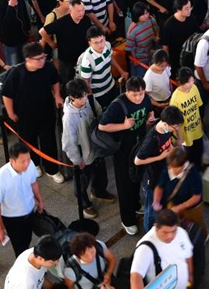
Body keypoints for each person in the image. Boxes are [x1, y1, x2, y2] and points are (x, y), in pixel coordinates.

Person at [98, 77, 156, 235]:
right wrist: (123, 126)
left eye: (141, 94)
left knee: (136, 178)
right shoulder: (118, 105)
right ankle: (127, 219)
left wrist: (150, 117)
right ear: (126, 92)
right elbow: (102, 126)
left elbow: (149, 108)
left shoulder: (145, 98)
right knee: (124, 185)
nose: (138, 98)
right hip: (123, 151)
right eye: (134, 95)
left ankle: (136, 205)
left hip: (139, 146)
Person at [2, 43, 64, 182]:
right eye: (38, 58)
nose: (42, 60)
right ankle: (34, 164)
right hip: (25, 115)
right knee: (28, 141)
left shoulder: (47, 67)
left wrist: (57, 95)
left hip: (46, 111)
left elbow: (55, 80)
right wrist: (11, 113)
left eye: (43, 57)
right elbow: (7, 95)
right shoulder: (16, 74)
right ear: (28, 59)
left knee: (49, 140)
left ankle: (52, 169)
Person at [61, 79, 108, 220]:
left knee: (100, 173)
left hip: (97, 148)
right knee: (82, 182)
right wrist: (77, 160)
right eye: (80, 97)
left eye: (85, 95)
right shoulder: (69, 117)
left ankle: (99, 191)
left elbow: (99, 112)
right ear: (71, 97)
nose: (84, 99)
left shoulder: (90, 101)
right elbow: (69, 142)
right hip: (84, 155)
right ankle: (85, 204)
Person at [0, 142, 45, 258]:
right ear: (12, 161)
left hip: (30, 211)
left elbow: (33, 183)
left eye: (28, 159)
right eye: (22, 161)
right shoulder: (0, 178)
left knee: (28, 238)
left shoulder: (30, 164)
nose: (27, 164)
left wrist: (40, 200)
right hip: (13, 219)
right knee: (19, 247)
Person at [136, 106, 184, 231]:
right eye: (176, 126)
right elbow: (137, 160)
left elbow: (178, 142)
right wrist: (160, 157)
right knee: (151, 211)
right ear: (166, 124)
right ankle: (149, 234)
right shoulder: (151, 139)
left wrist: (178, 132)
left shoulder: (167, 129)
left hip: (162, 174)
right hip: (152, 179)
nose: (177, 128)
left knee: (160, 206)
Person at [130, 210, 193, 289]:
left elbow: (188, 255)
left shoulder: (181, 232)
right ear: (156, 227)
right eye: (165, 232)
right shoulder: (145, 248)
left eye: (173, 231)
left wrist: (190, 274)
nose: (170, 236)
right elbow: (136, 276)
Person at [40, 0, 93, 85]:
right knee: (68, 84)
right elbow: (42, 31)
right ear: (70, 11)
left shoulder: (86, 20)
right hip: (67, 61)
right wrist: (52, 43)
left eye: (82, 10)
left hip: (83, 58)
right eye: (78, 11)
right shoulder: (61, 22)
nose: (81, 13)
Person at [153, 147, 204, 232]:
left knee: (197, 226)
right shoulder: (168, 168)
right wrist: (156, 201)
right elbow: (159, 186)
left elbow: (196, 196)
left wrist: (180, 207)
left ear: (183, 165)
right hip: (174, 203)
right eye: (170, 167)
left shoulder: (193, 174)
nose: (172, 170)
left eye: (176, 168)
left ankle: (203, 238)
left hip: (191, 208)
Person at [77, 26, 129, 110]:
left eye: (102, 41)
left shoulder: (107, 45)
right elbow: (85, 81)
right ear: (90, 43)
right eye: (96, 43)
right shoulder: (87, 60)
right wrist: (90, 98)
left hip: (111, 84)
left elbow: (110, 57)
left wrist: (121, 71)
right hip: (99, 94)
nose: (100, 45)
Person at [169, 67, 204, 166]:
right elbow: (176, 122)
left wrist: (200, 122)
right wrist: (180, 137)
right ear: (181, 82)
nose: (191, 84)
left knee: (199, 154)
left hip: (197, 129)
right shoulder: (175, 98)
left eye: (193, 80)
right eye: (188, 82)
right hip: (186, 134)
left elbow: (198, 106)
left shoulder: (194, 88)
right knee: (189, 158)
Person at [0, 0, 31, 65]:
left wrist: (28, 26)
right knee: (13, 64)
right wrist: (10, 7)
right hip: (10, 41)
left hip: (22, 35)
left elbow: (24, 11)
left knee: (25, 60)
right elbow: (4, 25)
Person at [161, 0, 198, 75]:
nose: (190, 10)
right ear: (178, 9)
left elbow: (195, 35)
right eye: (186, 8)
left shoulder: (192, 18)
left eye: (190, 7)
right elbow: (165, 46)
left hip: (190, 55)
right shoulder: (169, 25)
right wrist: (167, 61)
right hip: (175, 57)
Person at [125, 2, 160, 78]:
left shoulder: (151, 20)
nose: (146, 16)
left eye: (147, 13)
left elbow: (156, 30)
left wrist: (157, 37)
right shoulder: (132, 31)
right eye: (143, 14)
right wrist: (135, 60)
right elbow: (131, 48)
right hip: (141, 60)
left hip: (153, 56)